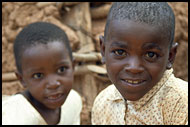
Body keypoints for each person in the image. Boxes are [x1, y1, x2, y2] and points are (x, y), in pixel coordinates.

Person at [91, 2, 188, 125]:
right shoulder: (103, 102)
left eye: (150, 55)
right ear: (103, 50)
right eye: (120, 52)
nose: (134, 68)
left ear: (170, 56)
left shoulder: (181, 104)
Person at [2, 22, 82, 125]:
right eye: (38, 75)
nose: (53, 84)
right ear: (22, 79)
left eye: (61, 69)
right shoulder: (14, 117)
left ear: (73, 66)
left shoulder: (72, 102)